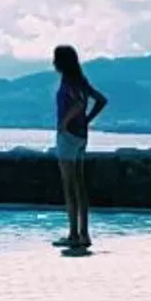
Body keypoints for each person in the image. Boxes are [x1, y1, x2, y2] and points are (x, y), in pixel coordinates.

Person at [52, 44, 107, 251]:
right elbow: (100, 100)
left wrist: (64, 124)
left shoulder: (67, 82)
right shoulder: (81, 82)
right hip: (82, 136)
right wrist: (87, 120)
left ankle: (73, 234)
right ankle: (84, 233)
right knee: (80, 186)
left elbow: (78, 104)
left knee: (69, 186)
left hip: (68, 137)